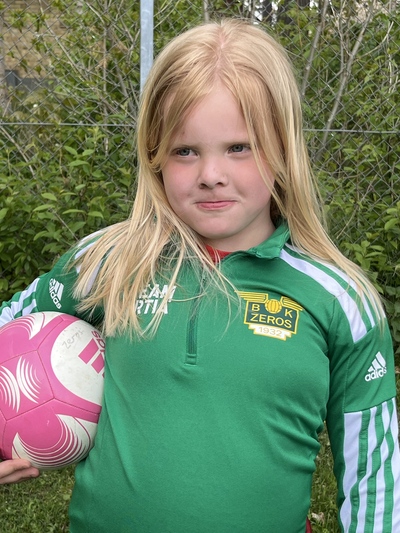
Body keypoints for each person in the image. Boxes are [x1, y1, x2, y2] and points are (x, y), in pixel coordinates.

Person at [0, 18, 399, 533]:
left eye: (239, 147)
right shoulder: (112, 261)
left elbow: (375, 479)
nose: (211, 175)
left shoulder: (340, 299)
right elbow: (10, 329)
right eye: (185, 151)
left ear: (284, 148)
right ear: (154, 155)